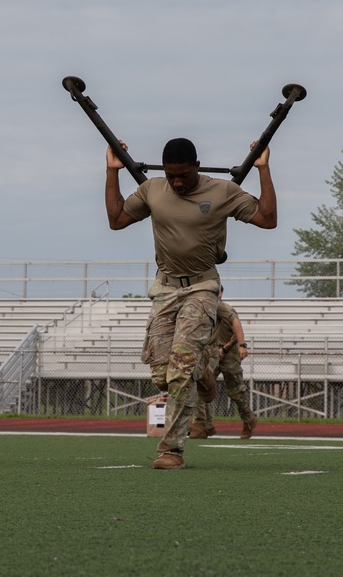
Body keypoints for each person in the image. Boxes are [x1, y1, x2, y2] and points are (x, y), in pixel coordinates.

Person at [106, 138, 276, 469]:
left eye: (184, 175)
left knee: (180, 369)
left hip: (202, 287)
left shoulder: (222, 192)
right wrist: (111, 171)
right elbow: (116, 220)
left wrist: (263, 168)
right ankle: (203, 376)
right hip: (165, 289)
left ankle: (172, 450)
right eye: (172, 176)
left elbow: (267, 219)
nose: (178, 182)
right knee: (162, 376)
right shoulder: (153, 190)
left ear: (197, 166)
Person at [189, 287, 259, 440]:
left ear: (221, 294)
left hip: (229, 355)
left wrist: (233, 347)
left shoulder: (225, 309)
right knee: (201, 387)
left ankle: (248, 420)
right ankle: (202, 425)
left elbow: (236, 329)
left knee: (236, 392)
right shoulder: (203, 309)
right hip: (211, 353)